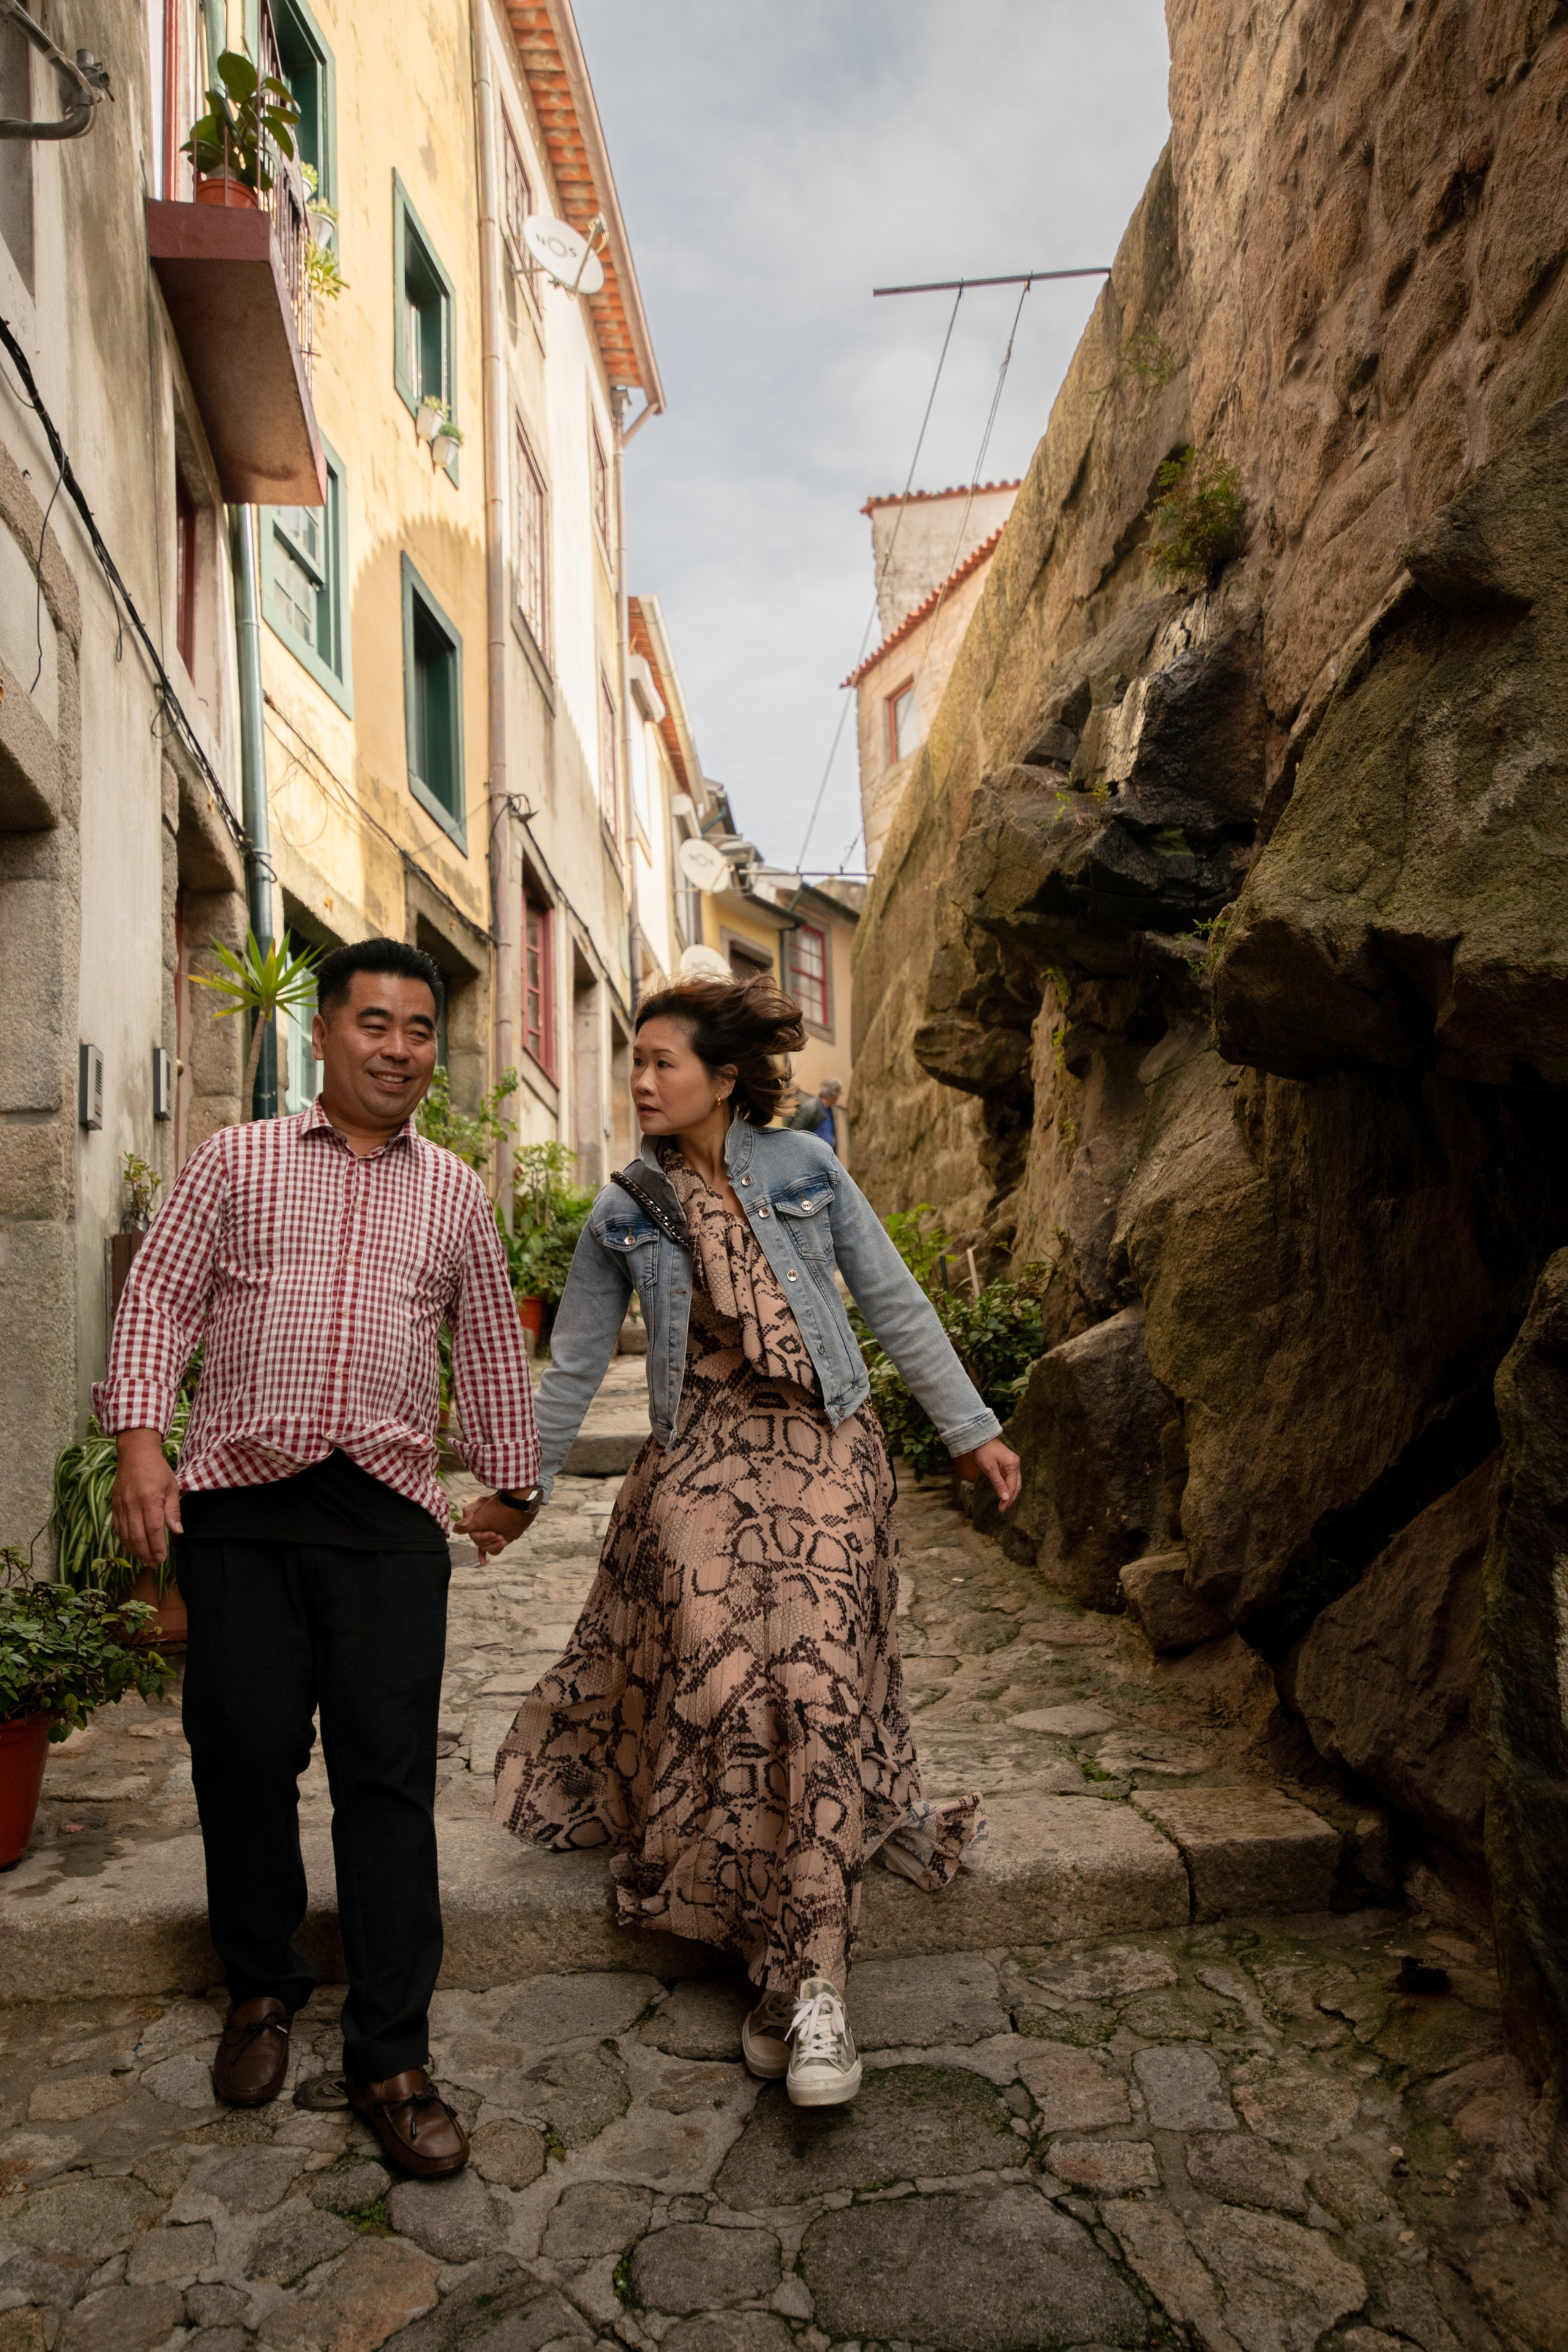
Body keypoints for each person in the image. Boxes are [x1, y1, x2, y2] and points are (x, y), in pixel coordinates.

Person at [494, 974, 1020, 2108]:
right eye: (632, 1061)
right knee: (738, 1688)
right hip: (698, 1458)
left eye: (660, 1062)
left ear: (723, 1077)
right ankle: (790, 1969)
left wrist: (973, 1431)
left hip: (824, 1440)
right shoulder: (623, 1207)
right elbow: (574, 1366)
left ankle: (812, 1989)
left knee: (816, 1679)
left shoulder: (806, 1171)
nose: (640, 1080)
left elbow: (895, 1306)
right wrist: (520, 1485)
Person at [100, 939, 540, 2179]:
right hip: (240, 1509)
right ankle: (260, 1988)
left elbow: (490, 1348)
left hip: (388, 1523)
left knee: (385, 1785)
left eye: (417, 1029)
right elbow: (158, 1302)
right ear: (324, 1030)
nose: (398, 1048)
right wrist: (142, 1444)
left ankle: (390, 2055)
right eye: (375, 1024)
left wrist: (510, 1480)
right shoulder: (235, 1162)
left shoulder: (453, 1190)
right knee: (240, 1757)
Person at [788, 1074, 842, 1151]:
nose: (838, 1098)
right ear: (833, 1094)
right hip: (813, 1155)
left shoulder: (829, 1109)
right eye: (838, 1094)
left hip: (826, 1155)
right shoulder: (812, 1108)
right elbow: (795, 1131)